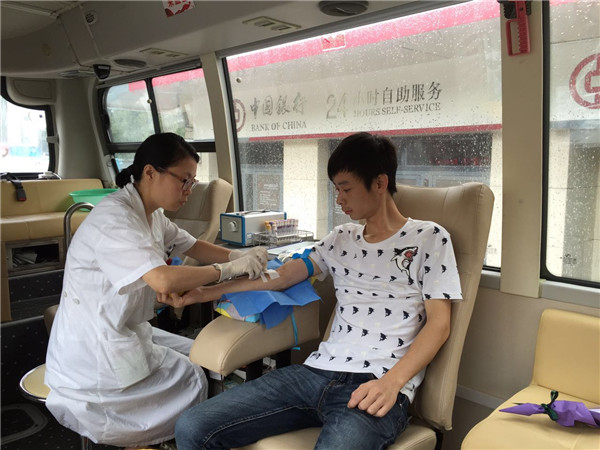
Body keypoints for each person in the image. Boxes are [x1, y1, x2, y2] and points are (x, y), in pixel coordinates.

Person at [168, 132, 463, 450]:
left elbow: (439, 324)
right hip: (315, 373)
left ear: (380, 183)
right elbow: (279, 278)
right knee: (192, 426)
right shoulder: (340, 238)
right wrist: (204, 292)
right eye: (336, 189)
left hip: (377, 380)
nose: (339, 199)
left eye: (346, 189)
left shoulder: (429, 238)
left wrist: (392, 383)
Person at [44, 133, 268, 448]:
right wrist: (228, 269)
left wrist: (237, 255)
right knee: (193, 376)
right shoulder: (115, 218)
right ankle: (157, 439)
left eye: (193, 182)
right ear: (150, 172)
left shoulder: (153, 215)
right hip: (94, 348)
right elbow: (162, 280)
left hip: (124, 328)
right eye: (184, 180)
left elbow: (192, 245)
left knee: (197, 350)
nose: (189, 190)